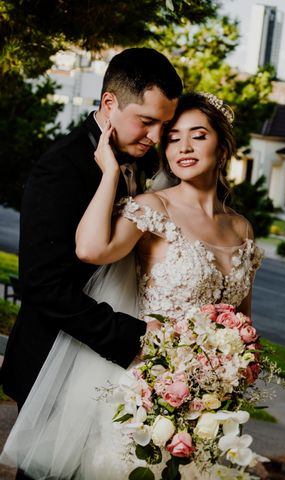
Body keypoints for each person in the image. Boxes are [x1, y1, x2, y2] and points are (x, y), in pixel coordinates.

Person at [1, 92, 264, 479]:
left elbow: (241, 321)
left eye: (198, 135)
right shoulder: (152, 207)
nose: (183, 147)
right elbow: (91, 249)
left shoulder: (241, 227)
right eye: (173, 138)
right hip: (140, 385)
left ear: (222, 146)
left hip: (204, 401)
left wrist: (233, 370)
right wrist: (109, 173)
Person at [0, 47, 182, 414]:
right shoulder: (61, 167)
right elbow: (43, 285)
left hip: (108, 370)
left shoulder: (144, 158)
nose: (156, 137)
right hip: (52, 357)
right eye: (146, 120)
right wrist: (133, 337)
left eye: (164, 124)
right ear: (109, 102)